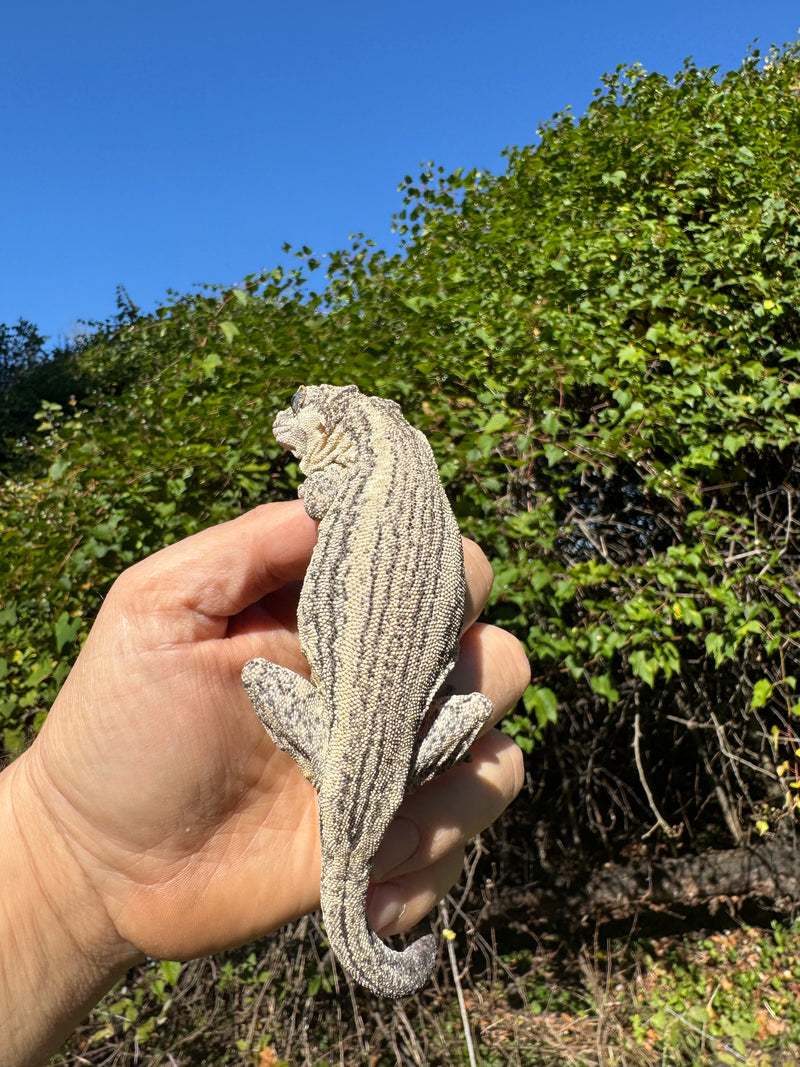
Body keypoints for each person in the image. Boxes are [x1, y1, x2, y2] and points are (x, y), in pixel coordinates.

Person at [1, 500, 529, 1065]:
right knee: (469, 708)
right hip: (354, 732)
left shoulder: (362, 493)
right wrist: (63, 854)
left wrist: (61, 870)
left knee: (468, 702)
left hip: (349, 732)